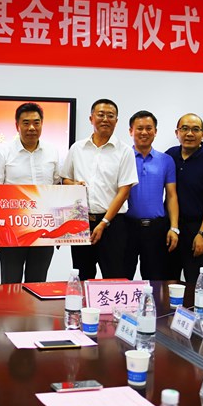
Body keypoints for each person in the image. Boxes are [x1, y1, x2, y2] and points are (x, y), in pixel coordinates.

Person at [61, 99, 138, 280]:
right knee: (82, 276)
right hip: (82, 222)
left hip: (113, 224)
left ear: (116, 121)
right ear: (91, 118)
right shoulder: (77, 148)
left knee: (114, 277)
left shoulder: (125, 151)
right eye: (100, 115)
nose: (105, 119)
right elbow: (65, 179)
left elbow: (124, 191)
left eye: (110, 116)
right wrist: (73, 185)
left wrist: (104, 222)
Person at [0, 102, 60, 283]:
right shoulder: (3, 152)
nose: (31, 128)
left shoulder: (52, 151)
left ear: (42, 124)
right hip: (12, 233)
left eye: (36, 122)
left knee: (37, 284)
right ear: (17, 125)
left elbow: (57, 189)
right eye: (26, 123)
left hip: (44, 232)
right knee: (10, 284)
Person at [165, 113, 203, 282]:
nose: (189, 133)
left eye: (195, 129)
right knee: (168, 281)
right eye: (184, 128)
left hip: (198, 228)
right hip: (171, 228)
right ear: (177, 132)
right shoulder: (170, 156)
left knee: (195, 283)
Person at [124, 110, 179, 280]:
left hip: (156, 229)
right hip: (126, 227)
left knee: (155, 280)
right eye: (139, 128)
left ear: (155, 131)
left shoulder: (166, 160)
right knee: (122, 278)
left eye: (149, 128)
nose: (144, 132)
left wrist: (174, 228)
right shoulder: (123, 158)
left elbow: (171, 195)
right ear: (131, 131)